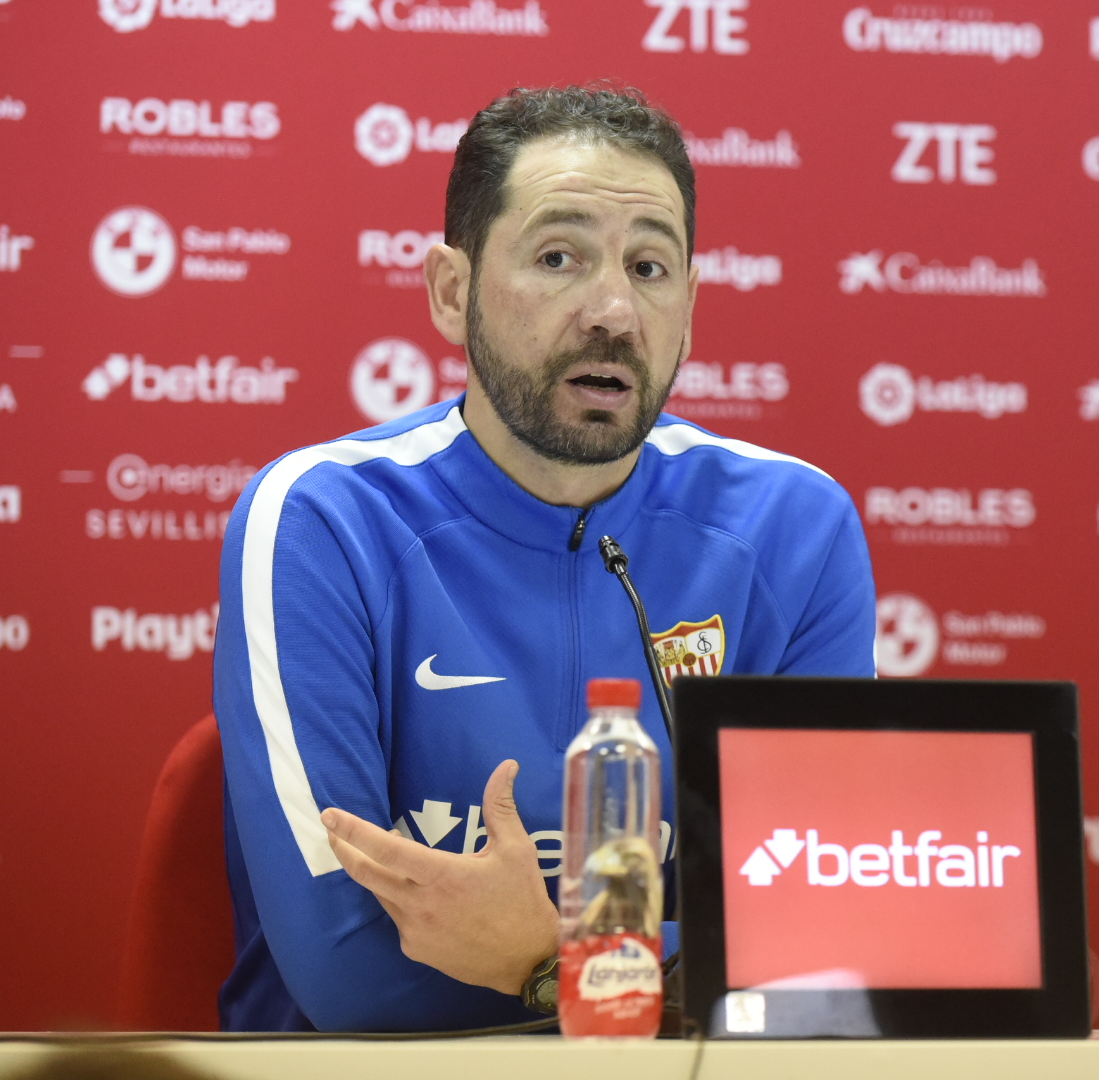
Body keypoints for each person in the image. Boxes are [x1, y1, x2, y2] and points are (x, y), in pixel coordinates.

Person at [212, 85, 876, 1033]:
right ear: (452, 291)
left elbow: (826, 951)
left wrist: (535, 959)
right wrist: (671, 963)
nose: (611, 310)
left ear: (688, 308)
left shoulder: (794, 528)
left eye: (649, 267)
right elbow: (347, 967)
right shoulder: (323, 519)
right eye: (558, 258)